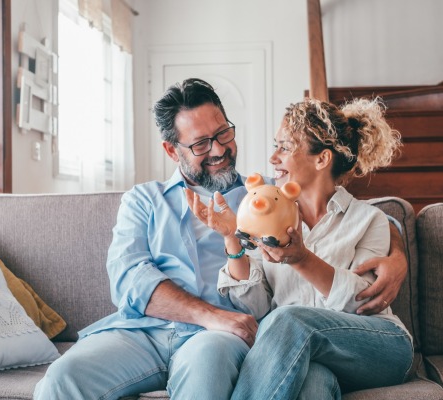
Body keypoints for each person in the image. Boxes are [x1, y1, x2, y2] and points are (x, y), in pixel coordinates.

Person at [34, 79, 407, 399]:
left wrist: (398, 242)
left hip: (220, 340)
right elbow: (129, 278)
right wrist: (212, 311)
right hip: (143, 332)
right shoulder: (143, 200)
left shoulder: (263, 200)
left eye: (223, 134)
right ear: (171, 149)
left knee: (214, 363)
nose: (218, 150)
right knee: (62, 378)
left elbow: (357, 214)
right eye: (200, 144)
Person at [186, 96, 413, 399]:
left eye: (285, 147)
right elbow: (255, 308)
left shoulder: (368, 219)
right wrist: (232, 238)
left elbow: (363, 304)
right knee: (313, 385)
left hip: (377, 347)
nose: (273, 158)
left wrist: (301, 259)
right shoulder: (265, 215)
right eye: (275, 146)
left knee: (289, 319)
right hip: (311, 356)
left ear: (322, 159)